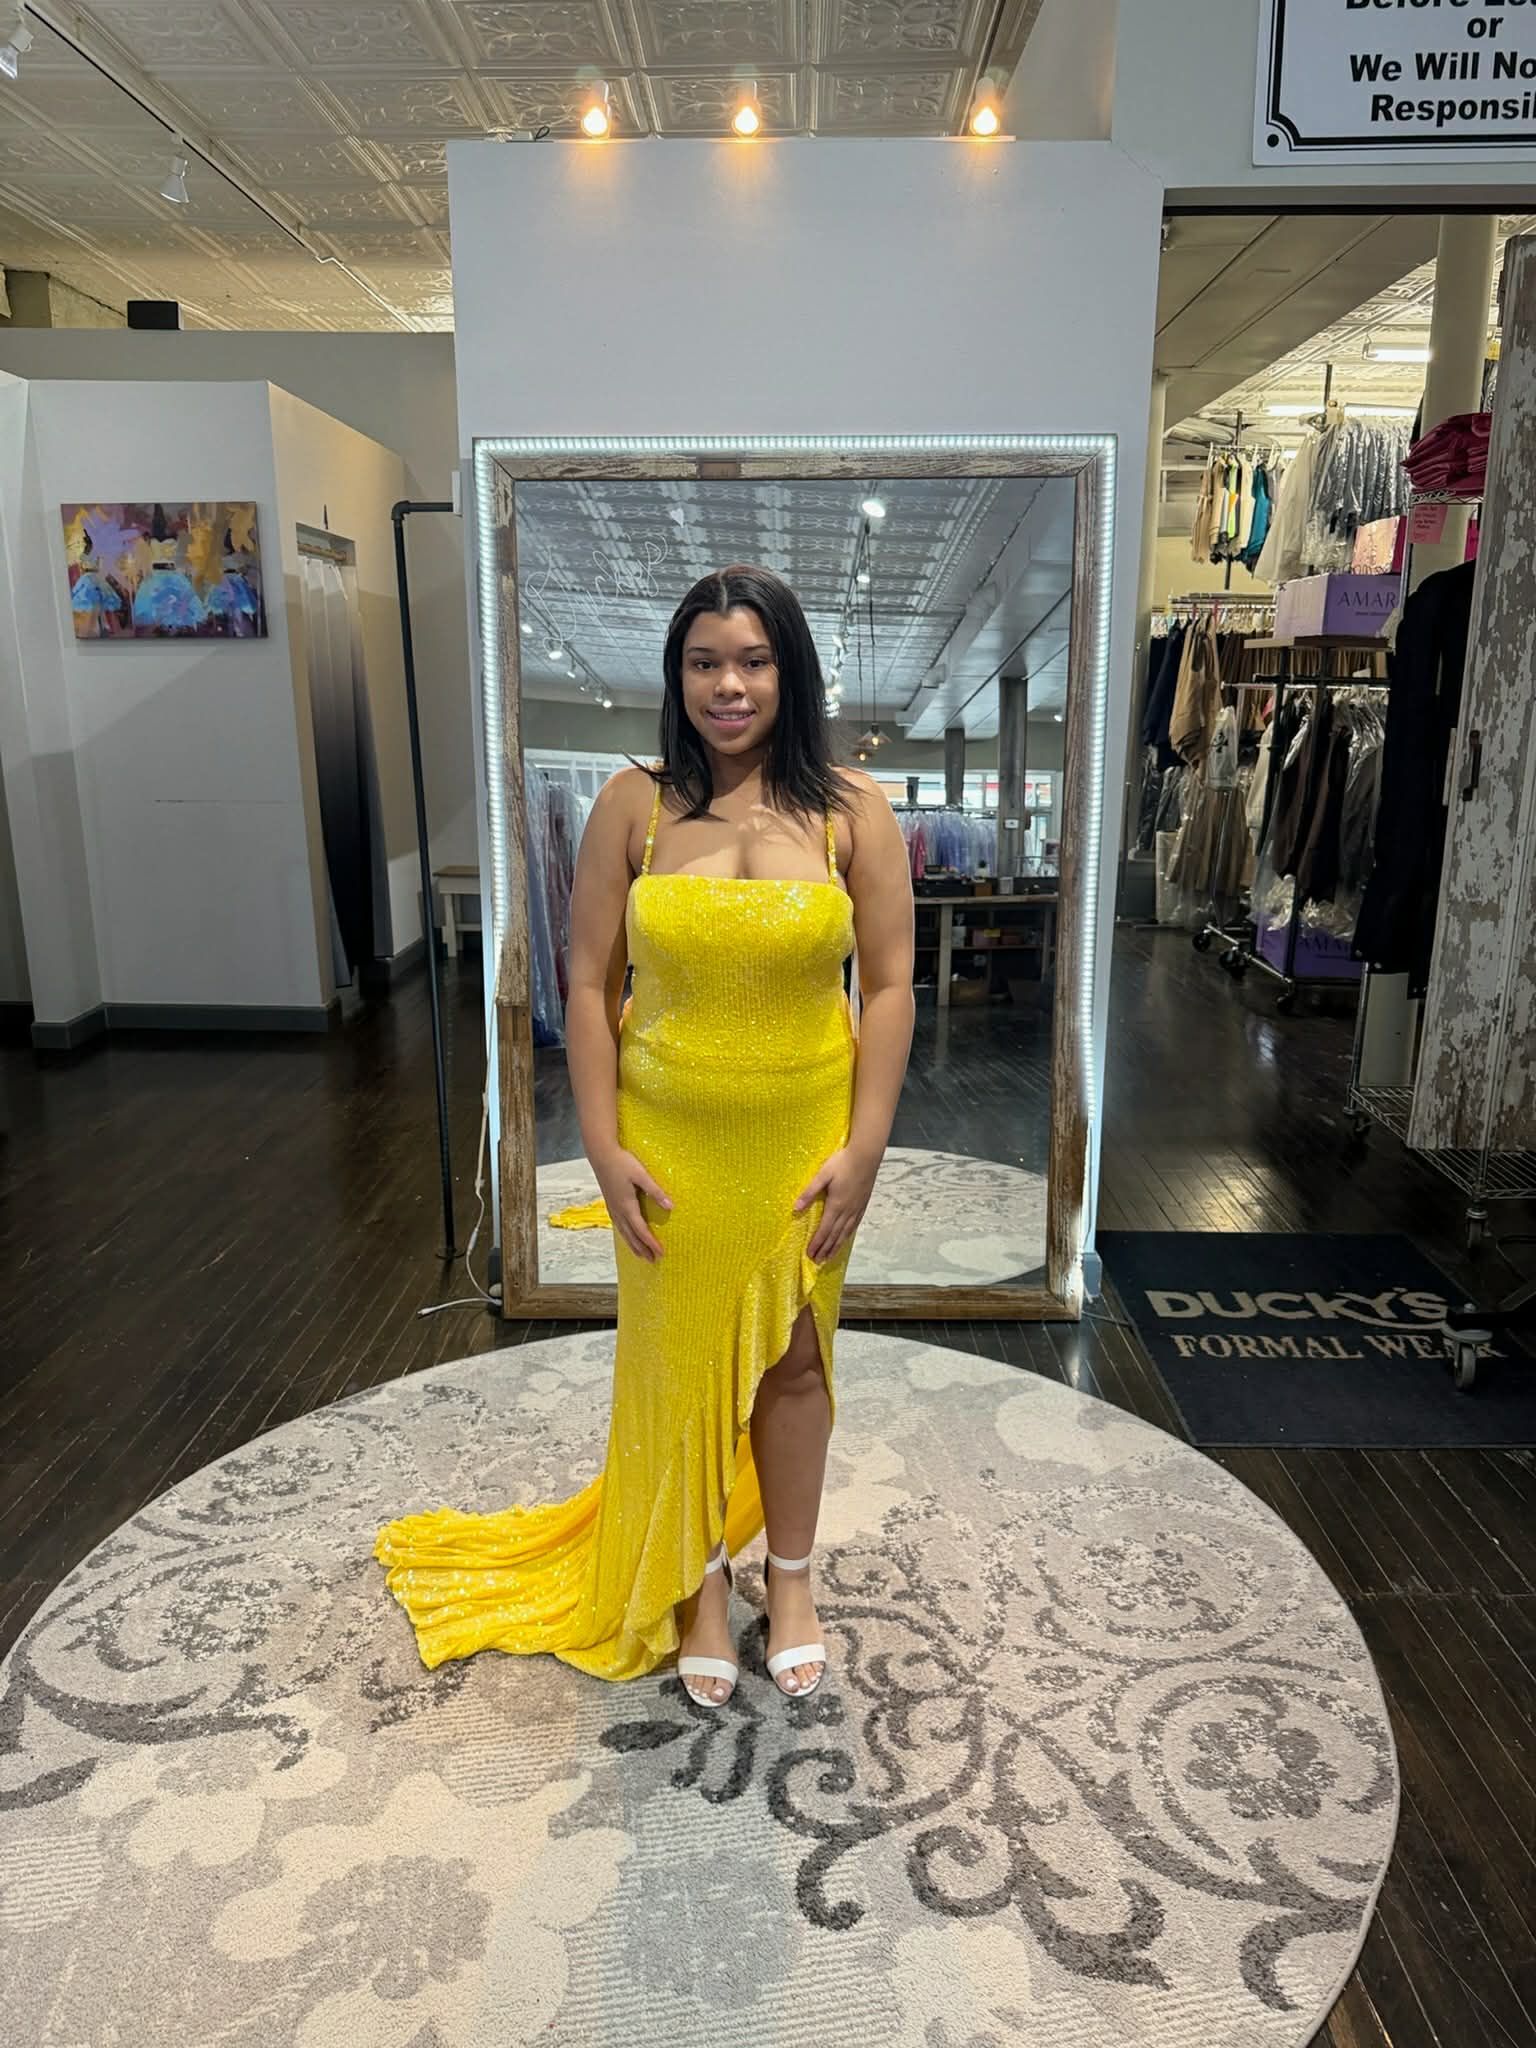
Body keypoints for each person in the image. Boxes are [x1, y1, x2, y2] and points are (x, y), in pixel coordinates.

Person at [374, 563, 914, 1709]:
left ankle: (796, 1575)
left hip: (802, 1131)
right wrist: (603, 1143)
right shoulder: (637, 803)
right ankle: (701, 1581)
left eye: (754, 660)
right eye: (706, 661)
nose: (730, 684)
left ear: (791, 669)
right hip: (669, 1136)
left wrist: (867, 1144)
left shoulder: (855, 809)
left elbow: (893, 984)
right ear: (677, 675)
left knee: (798, 1354)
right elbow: (584, 981)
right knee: (673, 1362)